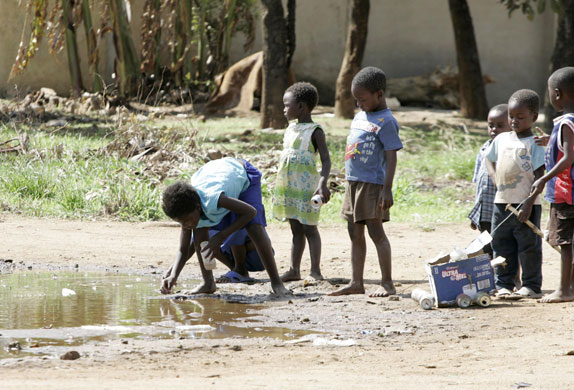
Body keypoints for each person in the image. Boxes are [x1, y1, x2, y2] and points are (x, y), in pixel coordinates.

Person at [160, 157, 290, 296]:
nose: (187, 225)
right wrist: (173, 275)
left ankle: (276, 282)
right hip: (215, 173)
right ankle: (208, 282)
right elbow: (183, 249)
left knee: (254, 227)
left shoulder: (212, 200)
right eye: (182, 222)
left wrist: (221, 237)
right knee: (199, 236)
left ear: (198, 208)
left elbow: (251, 212)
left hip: (242, 173)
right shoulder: (187, 213)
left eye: (188, 220)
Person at [329, 66, 403, 297]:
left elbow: (392, 154)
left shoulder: (387, 121)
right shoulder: (360, 116)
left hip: (372, 184)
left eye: (362, 99)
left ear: (379, 95)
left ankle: (387, 283)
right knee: (354, 232)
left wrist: (387, 189)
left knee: (376, 232)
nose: (359, 104)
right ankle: (356, 282)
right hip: (353, 183)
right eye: (356, 100)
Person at [485, 89, 545, 299]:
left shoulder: (535, 143)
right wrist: (494, 177)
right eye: (511, 116)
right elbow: (488, 158)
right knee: (500, 244)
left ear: (533, 117)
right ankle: (504, 284)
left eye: (521, 117)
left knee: (528, 246)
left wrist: (528, 204)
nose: (514, 121)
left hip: (526, 205)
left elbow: (540, 176)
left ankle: (531, 286)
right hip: (501, 203)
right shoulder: (501, 140)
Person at [273, 82, 331, 282]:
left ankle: (315, 271)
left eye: (287, 105)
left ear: (301, 107)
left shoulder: (315, 131)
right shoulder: (290, 129)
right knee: (295, 229)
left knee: (310, 229)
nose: (284, 109)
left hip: (307, 189)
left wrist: (322, 185)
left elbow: (326, 160)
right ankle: (294, 270)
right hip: (290, 188)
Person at [530, 67, 574, 303]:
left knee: (565, 244)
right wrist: (551, 142)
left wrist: (543, 178)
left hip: (566, 193)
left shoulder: (566, 122)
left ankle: (565, 290)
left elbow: (568, 157)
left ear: (557, 94)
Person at [468, 104, 511, 255]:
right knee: (486, 245)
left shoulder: (511, 150)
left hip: (502, 210)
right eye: (491, 125)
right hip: (484, 212)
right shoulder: (484, 149)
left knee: (504, 246)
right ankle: (492, 277)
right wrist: (475, 215)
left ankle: (510, 278)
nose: (494, 130)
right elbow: (479, 186)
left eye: (500, 126)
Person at [161, 227, 267, 285]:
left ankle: (240, 270)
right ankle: (235, 270)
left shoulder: (230, 212)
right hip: (232, 255)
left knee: (237, 230)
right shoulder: (201, 223)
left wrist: (221, 236)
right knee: (204, 242)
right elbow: (189, 247)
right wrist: (172, 271)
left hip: (259, 257)